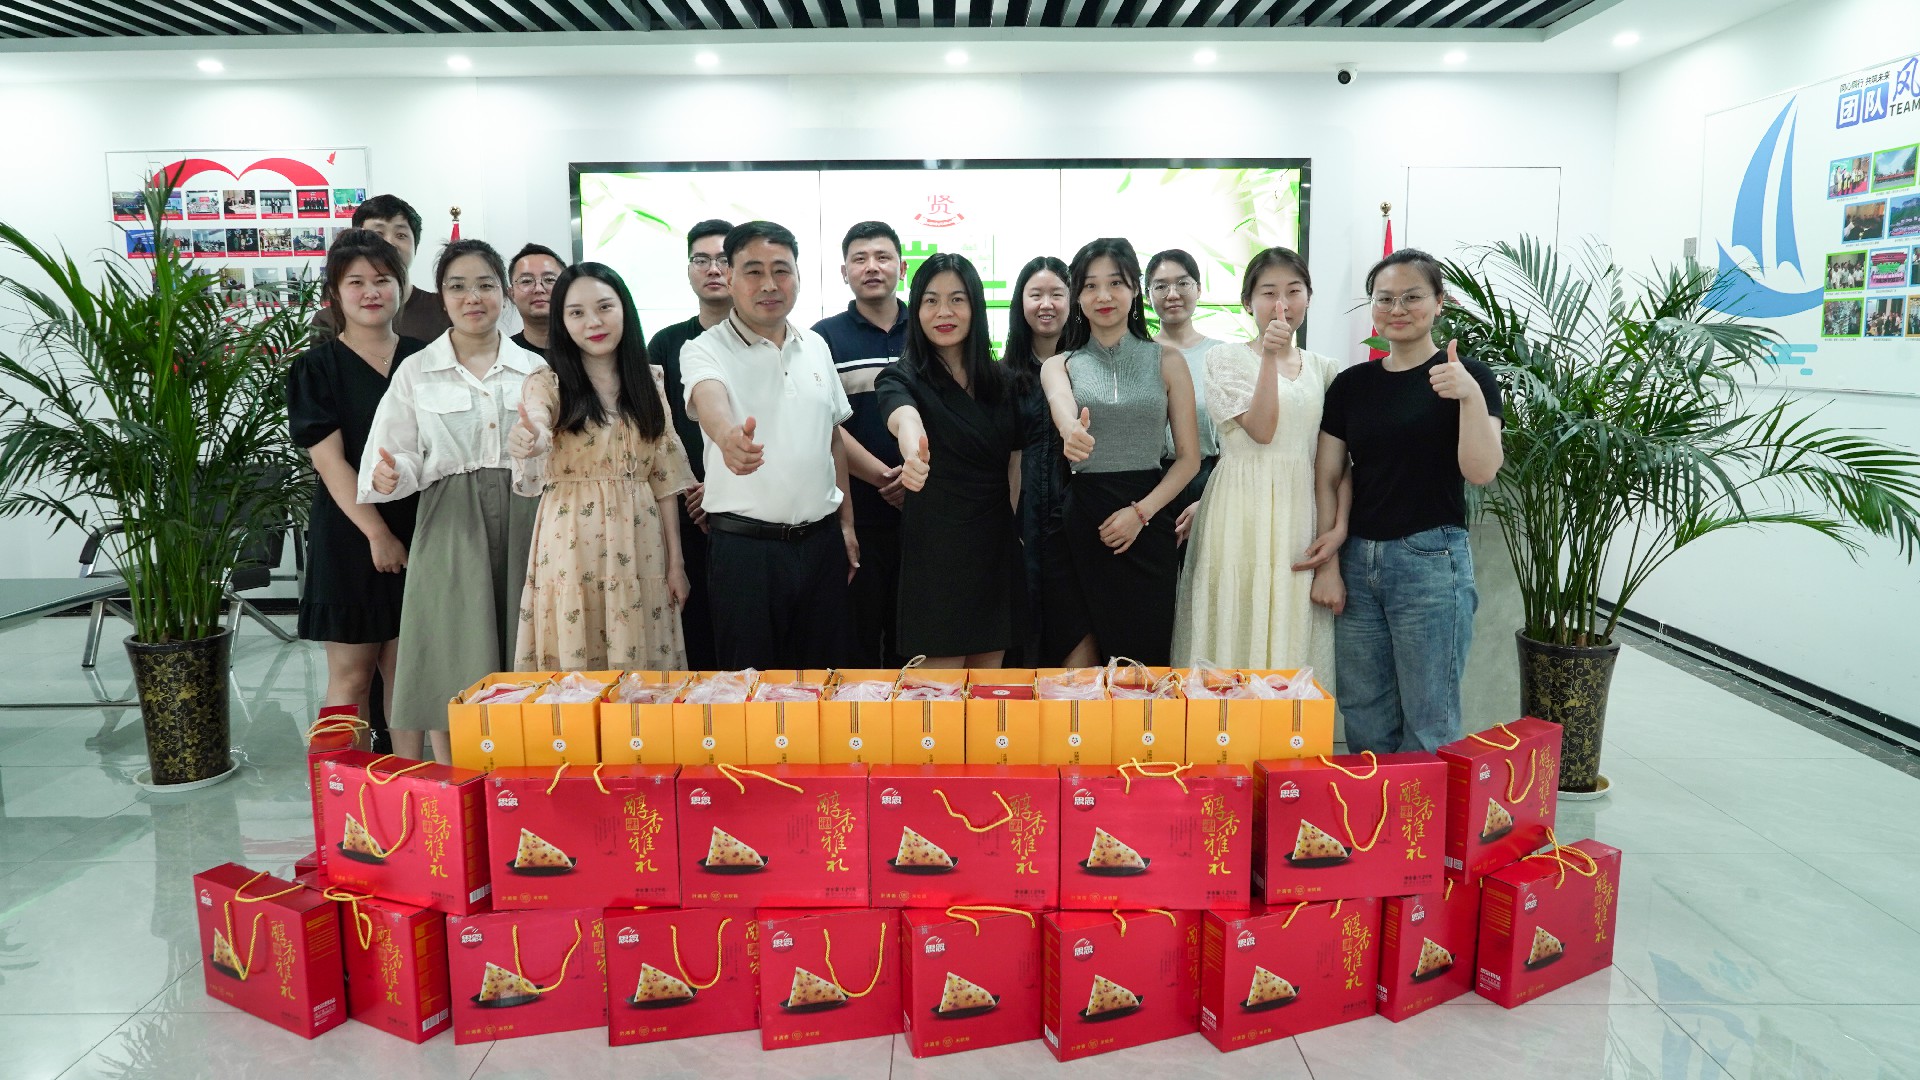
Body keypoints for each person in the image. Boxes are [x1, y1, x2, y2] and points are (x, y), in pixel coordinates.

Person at [359, 239, 546, 763]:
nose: (472, 298)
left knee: (525, 648)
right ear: (441, 296)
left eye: (485, 285)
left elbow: (556, 450)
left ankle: (520, 778)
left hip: (528, 514)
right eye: (457, 286)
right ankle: (454, 778)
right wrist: (392, 473)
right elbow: (395, 454)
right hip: (449, 518)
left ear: (504, 294)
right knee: (452, 655)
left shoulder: (534, 368)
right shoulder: (417, 370)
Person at [1313, 248, 1504, 754]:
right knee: (1364, 713)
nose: (1397, 309)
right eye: (1384, 299)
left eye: (1412, 297)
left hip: (1431, 560)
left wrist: (1469, 396)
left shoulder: (1469, 377)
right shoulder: (1351, 385)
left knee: (1429, 720)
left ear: (1439, 302)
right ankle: (1375, 808)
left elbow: (1481, 471)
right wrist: (1328, 564)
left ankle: (1421, 810)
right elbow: (1328, 477)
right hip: (1357, 561)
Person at [681, 220, 859, 669]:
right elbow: (709, 399)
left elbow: (832, 439)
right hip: (746, 554)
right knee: (749, 685)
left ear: (798, 276)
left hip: (821, 545)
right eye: (753, 271)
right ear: (730, 277)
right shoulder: (704, 348)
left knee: (825, 680)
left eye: (781, 270)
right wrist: (728, 438)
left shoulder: (815, 345)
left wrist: (847, 526)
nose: (769, 284)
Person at [508, 263, 693, 671]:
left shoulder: (650, 382)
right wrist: (530, 437)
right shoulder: (547, 381)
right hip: (572, 543)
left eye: (604, 307)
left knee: (642, 666)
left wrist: (676, 564)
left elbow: (663, 481)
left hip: (642, 543)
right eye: (576, 312)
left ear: (625, 309)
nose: (593, 322)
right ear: (562, 322)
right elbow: (536, 421)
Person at [285, 229, 427, 753]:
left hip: (422, 529)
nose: (372, 292)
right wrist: (377, 534)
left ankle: (407, 784)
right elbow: (329, 461)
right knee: (351, 677)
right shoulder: (315, 367)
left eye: (383, 279)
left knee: (406, 675)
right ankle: (341, 792)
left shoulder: (425, 359)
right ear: (335, 294)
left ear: (401, 288)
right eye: (356, 282)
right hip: (351, 534)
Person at [1172, 247, 1344, 675]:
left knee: (1291, 629)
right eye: (1268, 293)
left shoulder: (1326, 370)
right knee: (1234, 624)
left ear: (1309, 297)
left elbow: (1337, 465)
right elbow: (1262, 430)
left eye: (1294, 291)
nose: (1281, 304)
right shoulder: (1223, 359)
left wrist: (1336, 535)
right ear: (1248, 302)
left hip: (1299, 515)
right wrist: (1269, 355)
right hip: (1237, 515)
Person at [1040, 238, 1200, 667]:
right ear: (1078, 297)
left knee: (1141, 666)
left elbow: (1188, 459)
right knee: (1077, 664)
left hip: (1147, 518)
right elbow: (1060, 401)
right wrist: (1070, 428)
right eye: (1090, 286)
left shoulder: (1167, 360)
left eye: (1115, 283)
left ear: (1133, 290)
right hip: (1080, 519)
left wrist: (1141, 514)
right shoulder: (1061, 363)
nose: (1104, 296)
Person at [876, 253, 1023, 667]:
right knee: (936, 695)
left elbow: (1015, 464)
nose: (944, 312)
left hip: (995, 549)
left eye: (957, 299)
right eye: (931, 300)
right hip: (935, 553)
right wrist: (912, 451)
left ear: (975, 306)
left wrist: (1011, 527)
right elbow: (904, 417)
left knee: (986, 691)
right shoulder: (901, 376)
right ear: (916, 308)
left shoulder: (1005, 382)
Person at [811, 221, 909, 667]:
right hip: (857, 515)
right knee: (859, 643)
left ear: (902, 268)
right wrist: (884, 477)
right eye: (860, 259)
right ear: (844, 272)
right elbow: (824, 423)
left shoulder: (929, 327)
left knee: (917, 643)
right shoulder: (821, 338)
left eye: (883, 257)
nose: (872, 267)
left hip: (926, 515)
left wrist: (914, 476)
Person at [646, 218, 733, 671]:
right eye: (702, 259)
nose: (713, 269)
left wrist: (718, 488)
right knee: (694, 632)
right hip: (683, 510)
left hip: (745, 508)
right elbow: (654, 430)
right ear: (688, 269)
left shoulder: (765, 339)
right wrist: (689, 488)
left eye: (724, 259)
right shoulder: (665, 343)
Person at [1006, 256, 1072, 664]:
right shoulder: (1000, 376)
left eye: (1057, 294)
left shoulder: (1088, 368)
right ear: (1021, 303)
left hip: (1075, 518)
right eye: (1036, 295)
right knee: (1021, 628)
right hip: (1020, 518)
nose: (1046, 304)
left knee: (1073, 627)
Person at [1146, 248, 1225, 522]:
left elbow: (1233, 438)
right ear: (1147, 294)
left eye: (1183, 283)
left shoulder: (1220, 355)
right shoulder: (1138, 354)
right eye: (1160, 286)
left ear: (1199, 289)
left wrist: (1208, 501)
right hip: (1148, 484)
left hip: (1205, 482)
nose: (1172, 294)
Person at [312, 194, 452, 343]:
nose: (390, 243)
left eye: (401, 235)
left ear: (415, 245)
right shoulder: (328, 320)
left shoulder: (445, 309)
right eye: (377, 234)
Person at [507, 243, 565, 355]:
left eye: (549, 279)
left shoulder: (587, 348)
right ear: (511, 294)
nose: (539, 289)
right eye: (526, 281)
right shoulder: (505, 355)